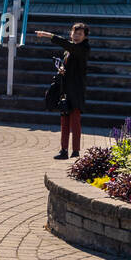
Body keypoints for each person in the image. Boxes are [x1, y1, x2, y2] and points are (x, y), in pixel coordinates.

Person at [35, 23, 89, 160]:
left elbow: (69, 46)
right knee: (64, 121)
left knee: (75, 121)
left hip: (76, 91)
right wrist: (61, 69)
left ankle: (75, 151)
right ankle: (64, 150)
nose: (76, 36)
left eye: (80, 34)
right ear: (71, 33)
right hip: (65, 89)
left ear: (85, 36)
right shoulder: (68, 51)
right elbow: (69, 61)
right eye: (74, 33)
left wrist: (48, 35)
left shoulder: (84, 48)